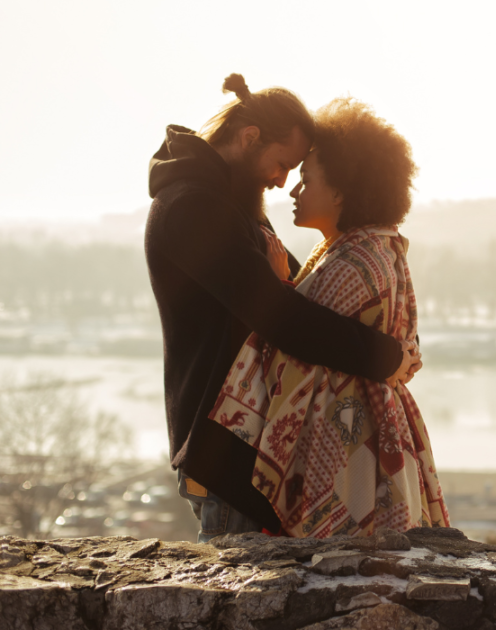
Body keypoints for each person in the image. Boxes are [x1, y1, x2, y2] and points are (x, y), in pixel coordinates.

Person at [145, 75, 421, 542]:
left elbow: (294, 293)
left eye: (295, 171)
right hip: (224, 453)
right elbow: (284, 318)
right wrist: (386, 357)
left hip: (238, 451)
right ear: (249, 137)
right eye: (281, 164)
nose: (281, 181)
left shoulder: (227, 203)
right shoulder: (193, 208)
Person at [208, 97, 450, 537]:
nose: (293, 190)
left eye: (306, 178)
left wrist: (279, 288)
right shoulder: (368, 248)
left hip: (344, 457)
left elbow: (296, 343)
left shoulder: (350, 264)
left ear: (341, 191)